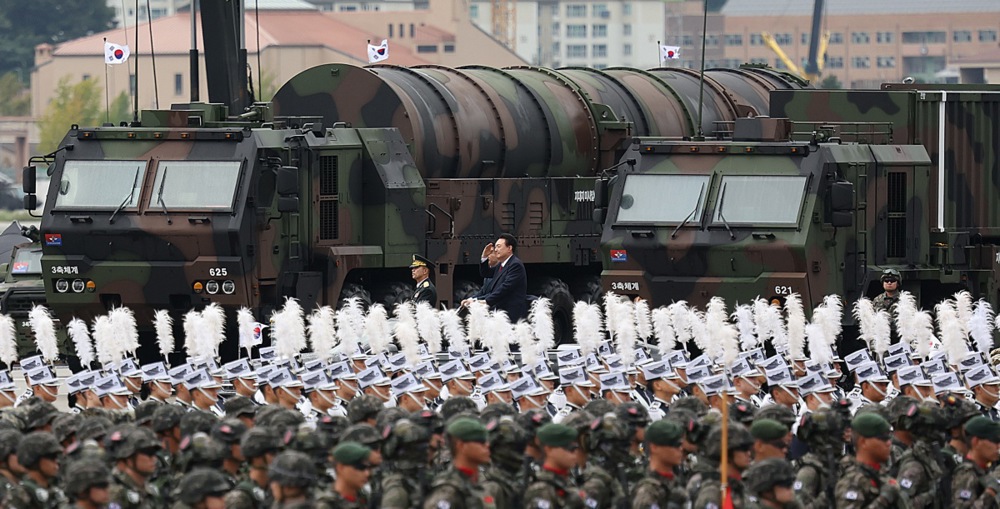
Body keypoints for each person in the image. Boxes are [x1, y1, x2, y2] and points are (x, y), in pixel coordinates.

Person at [834, 413, 905, 508]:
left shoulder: (883, 475)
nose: (888, 443)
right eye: (882, 438)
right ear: (863, 442)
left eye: (888, 438)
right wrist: (883, 499)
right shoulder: (852, 481)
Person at [422, 418, 494, 509]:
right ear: (461, 445)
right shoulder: (449, 491)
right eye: (480, 442)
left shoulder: (479, 482)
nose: (487, 446)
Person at [464, 233, 527, 322]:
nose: (496, 250)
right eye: (495, 247)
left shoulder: (515, 265)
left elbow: (505, 288)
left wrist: (486, 302)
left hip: (511, 313)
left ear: (509, 248)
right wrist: (484, 257)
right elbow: (485, 273)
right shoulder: (501, 265)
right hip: (500, 313)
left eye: (499, 246)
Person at [631, 419, 688, 509]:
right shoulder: (648, 491)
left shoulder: (677, 481)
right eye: (674, 445)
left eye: (680, 445)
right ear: (654, 447)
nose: (680, 449)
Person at [950, 416, 1000, 508]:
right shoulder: (966, 473)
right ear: (976, 441)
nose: (998, 446)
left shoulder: (984, 470)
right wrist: (991, 491)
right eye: (995, 441)